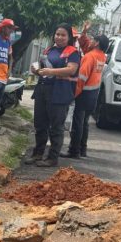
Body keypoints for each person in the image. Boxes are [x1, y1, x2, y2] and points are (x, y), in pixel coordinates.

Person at [25, 23, 81, 167]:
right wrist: (36, 70)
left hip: (60, 92)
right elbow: (43, 67)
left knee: (56, 127)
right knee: (40, 124)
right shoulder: (49, 49)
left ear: (69, 37)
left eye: (63, 35)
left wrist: (51, 72)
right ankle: (38, 153)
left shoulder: (73, 52)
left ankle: (52, 157)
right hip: (43, 89)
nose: (59, 37)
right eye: (57, 34)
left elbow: (71, 70)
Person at [64, 34, 108, 159]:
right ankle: (82, 149)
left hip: (84, 93)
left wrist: (74, 94)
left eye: (93, 39)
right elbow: (86, 45)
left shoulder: (90, 56)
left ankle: (74, 151)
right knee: (84, 123)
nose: (91, 41)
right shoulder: (101, 56)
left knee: (78, 123)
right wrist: (83, 33)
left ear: (97, 43)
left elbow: (81, 78)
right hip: (94, 94)